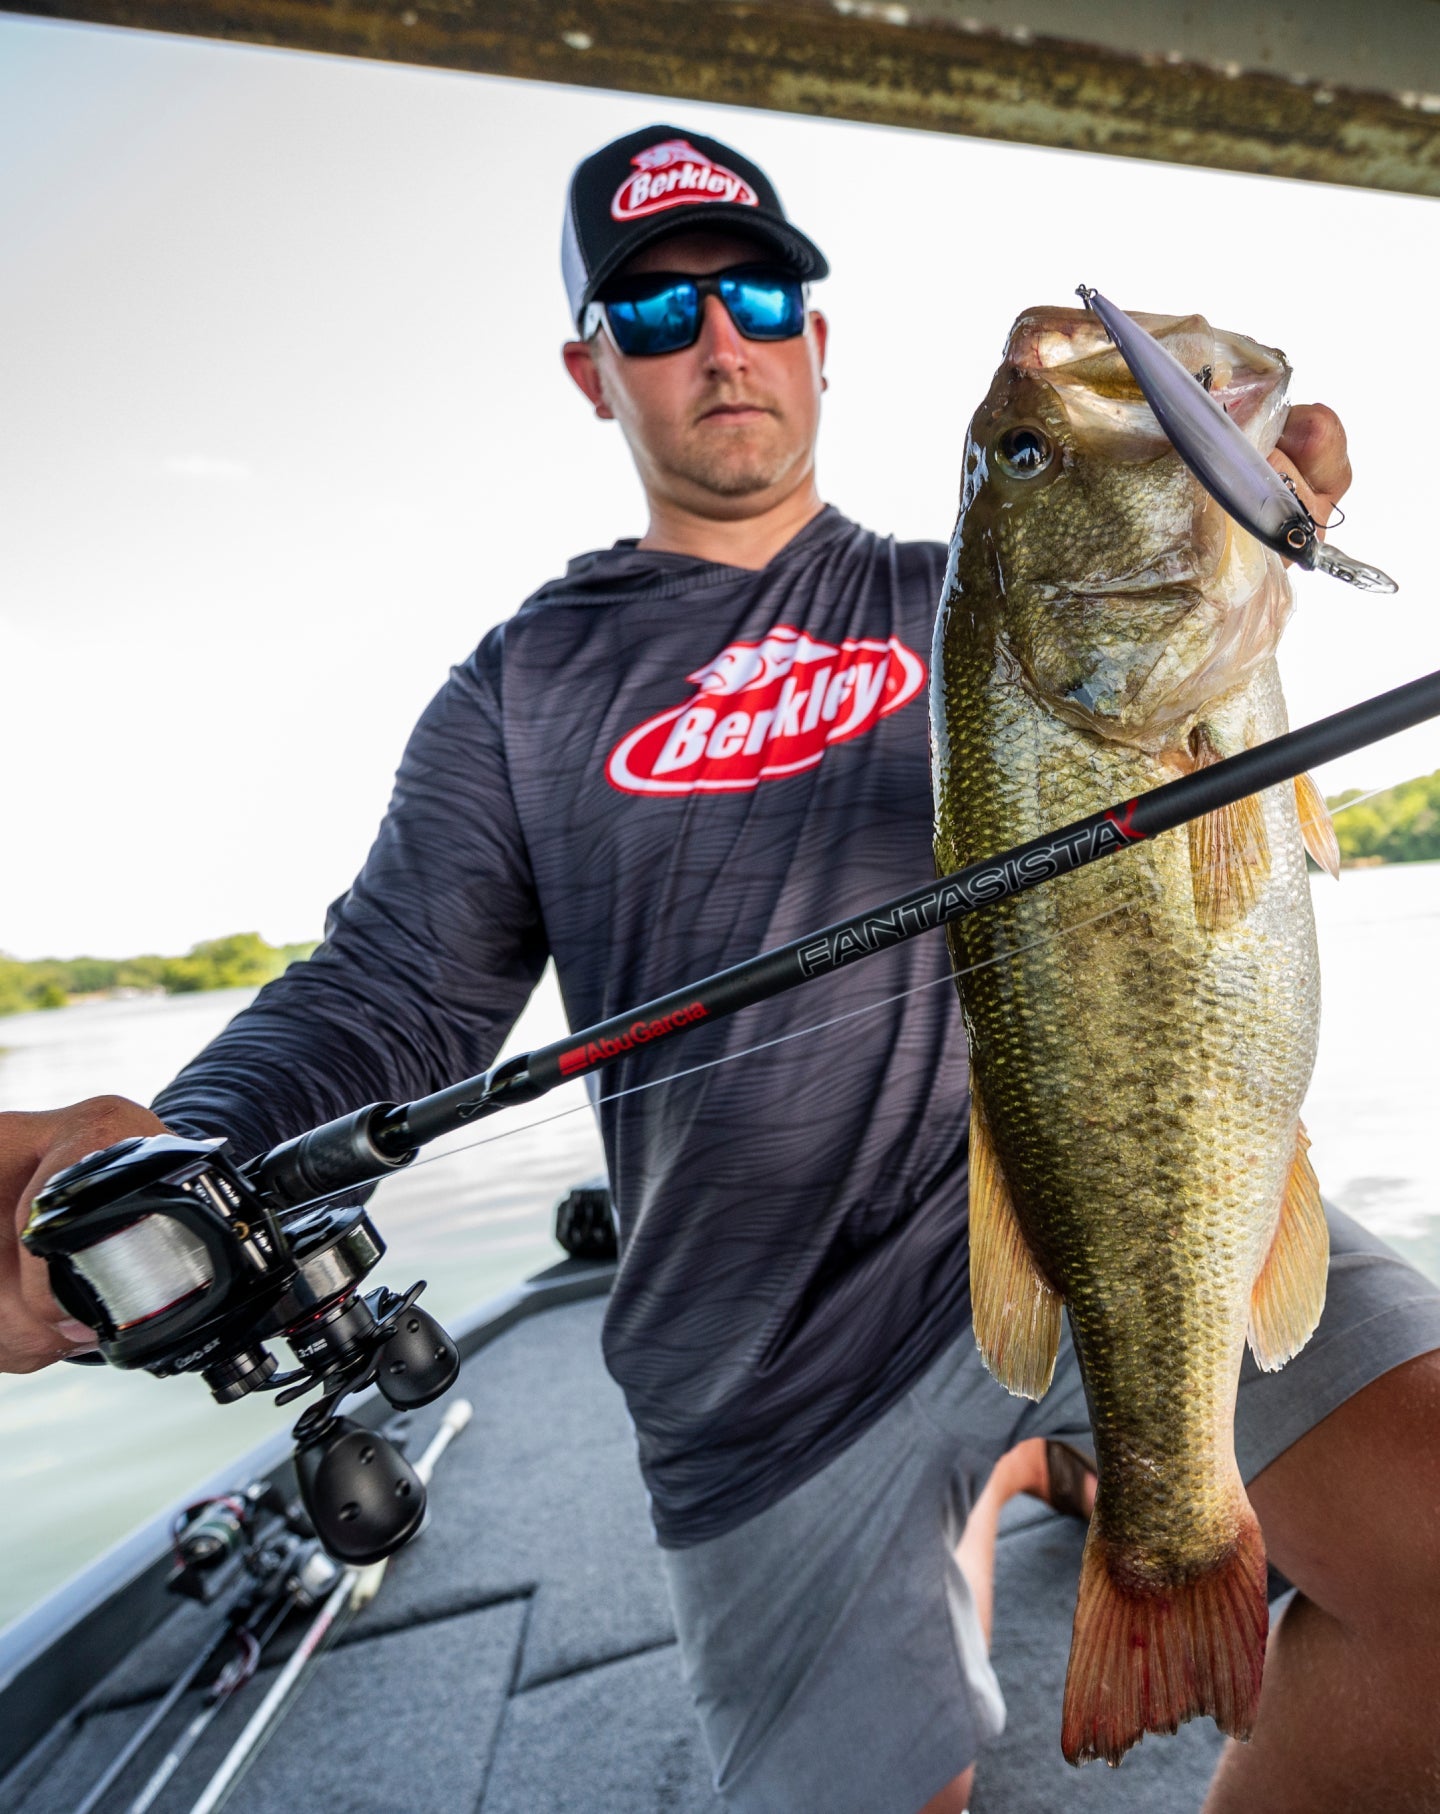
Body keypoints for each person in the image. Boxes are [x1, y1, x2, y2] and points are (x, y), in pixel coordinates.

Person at [4, 124, 1439, 1814]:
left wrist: (1251, 507)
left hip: (1084, 1213)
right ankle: (1007, 1496)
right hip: (752, 1374)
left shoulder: (964, 594)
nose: (718, 338)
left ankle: (1038, 1466)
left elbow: (1190, 759)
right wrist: (166, 1153)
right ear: (589, 366)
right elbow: (389, 991)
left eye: (754, 288)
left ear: (818, 335)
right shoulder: (519, 690)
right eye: (655, 309)